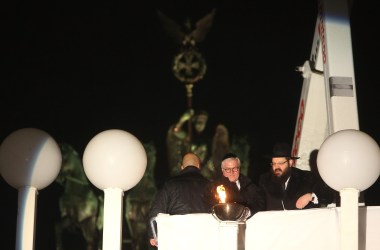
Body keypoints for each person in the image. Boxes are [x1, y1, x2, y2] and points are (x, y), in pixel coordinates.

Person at [147, 152, 212, 247]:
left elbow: (156, 210)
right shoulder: (211, 187)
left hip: (176, 241)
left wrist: (153, 235)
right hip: (204, 240)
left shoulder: (170, 184)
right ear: (198, 166)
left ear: (182, 167)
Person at [166, 108, 229, 180]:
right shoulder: (188, 138)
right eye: (197, 122)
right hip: (190, 174)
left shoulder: (210, 139)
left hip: (206, 174)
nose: (199, 125)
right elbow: (175, 132)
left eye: (202, 122)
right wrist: (183, 119)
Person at [258, 142, 322, 211]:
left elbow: (328, 194)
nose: (276, 167)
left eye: (280, 163)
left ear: (290, 163)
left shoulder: (306, 177)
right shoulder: (265, 180)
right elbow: (258, 202)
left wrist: (311, 196)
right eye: (274, 164)